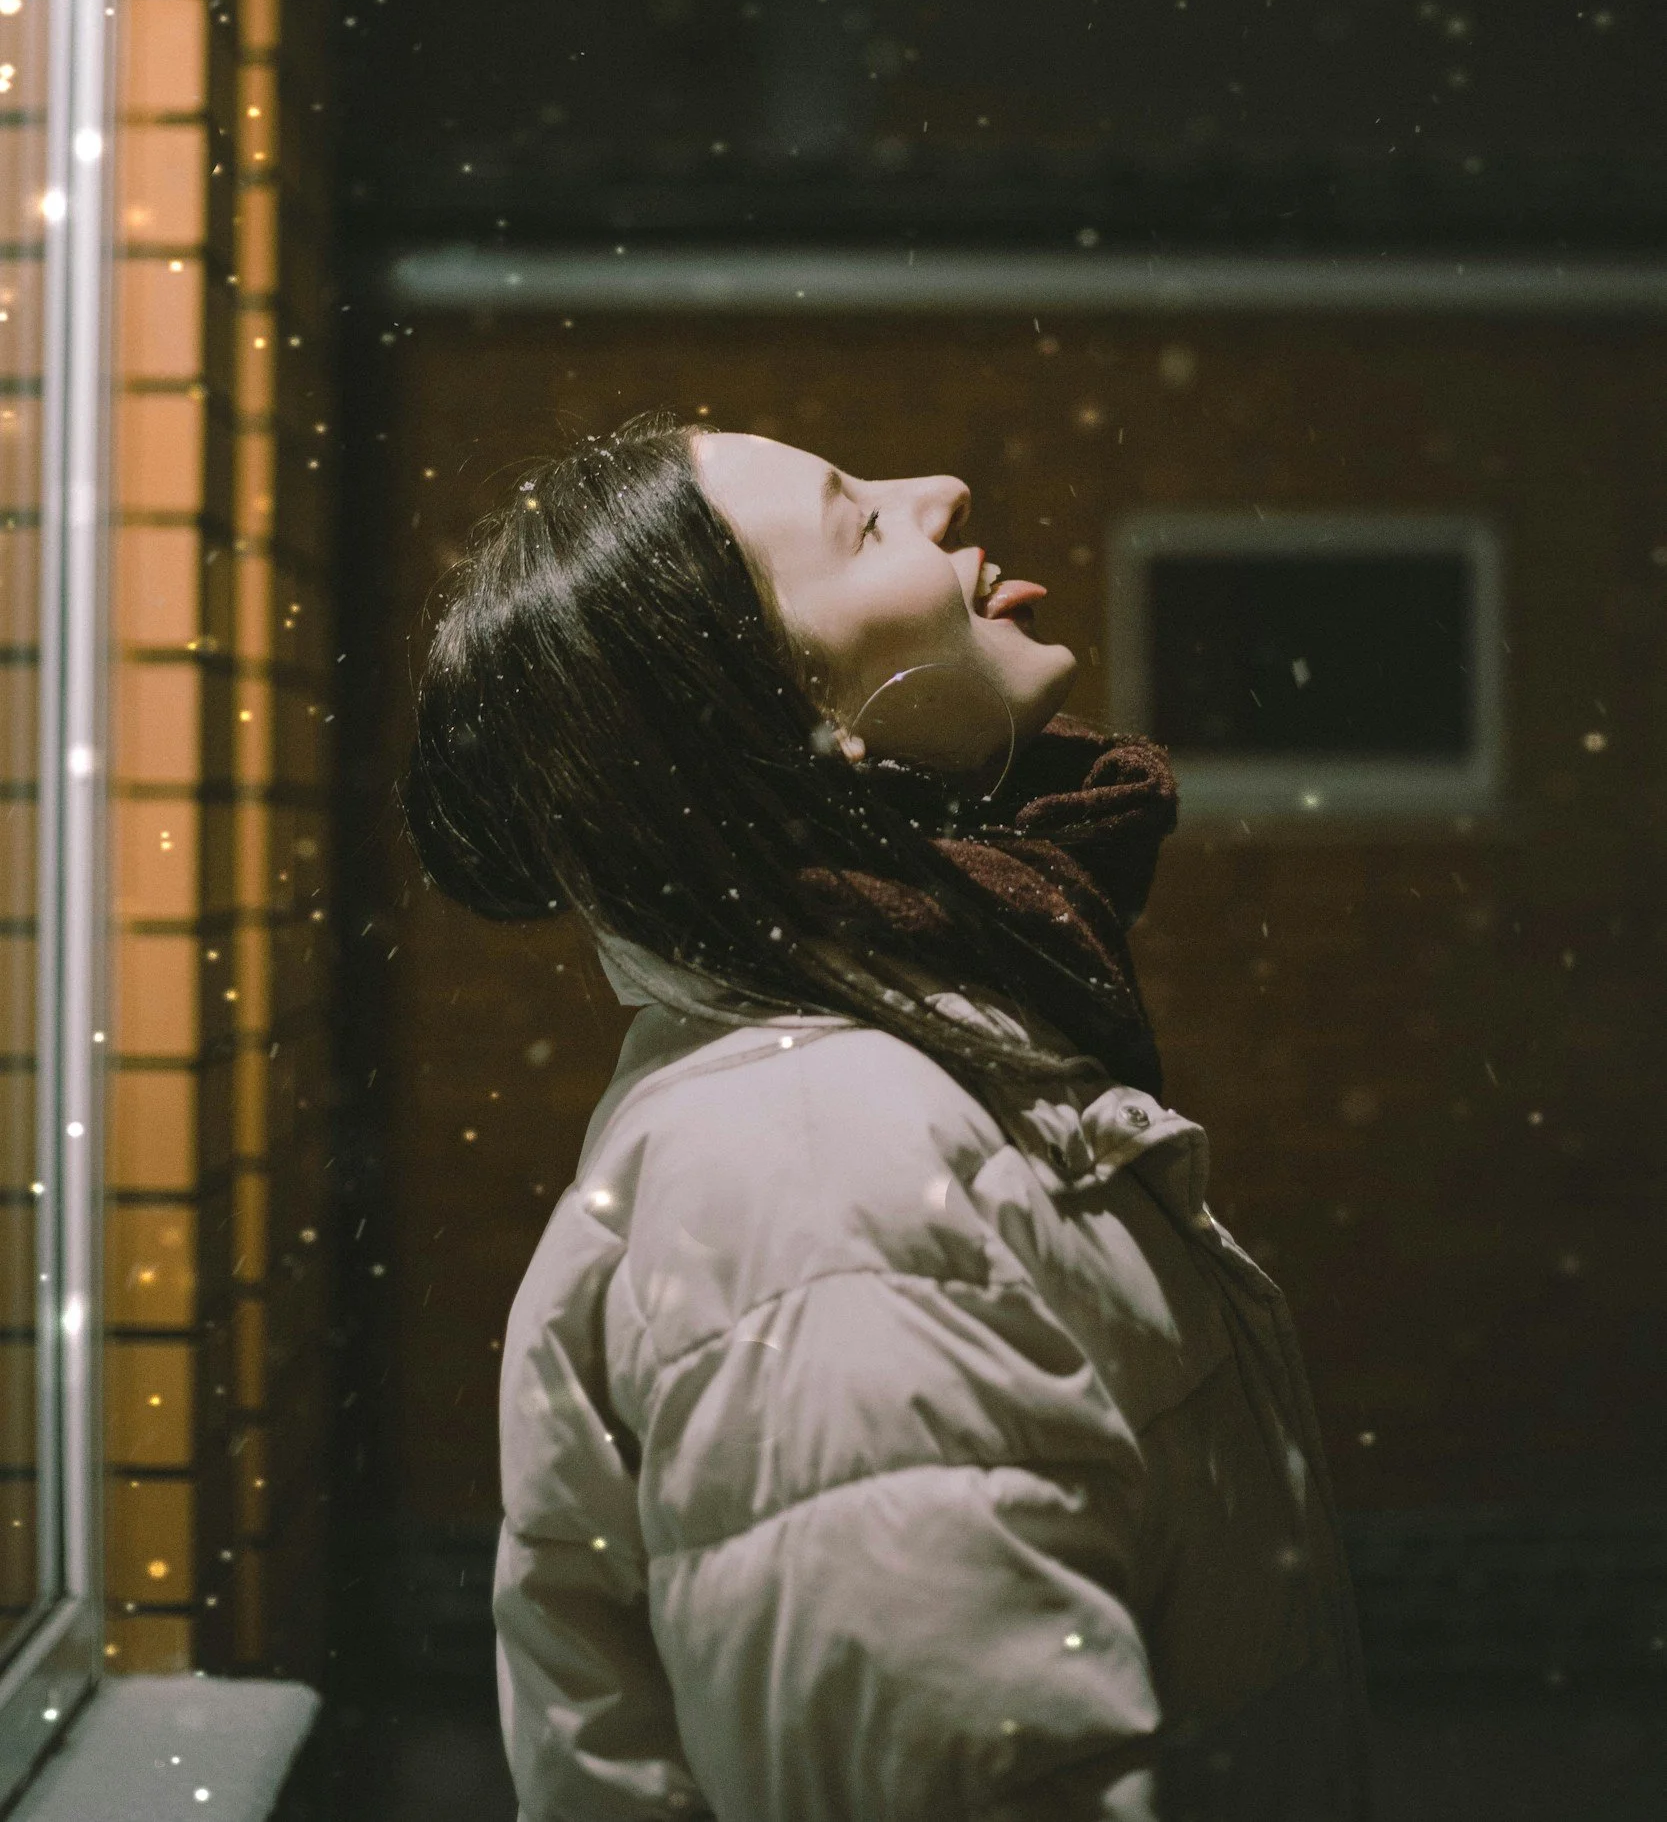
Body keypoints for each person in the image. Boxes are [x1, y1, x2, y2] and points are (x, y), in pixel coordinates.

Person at [403, 416, 1372, 1822]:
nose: (943, 489)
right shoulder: (822, 1183)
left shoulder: (888, 1068)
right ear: (791, 725)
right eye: (859, 524)